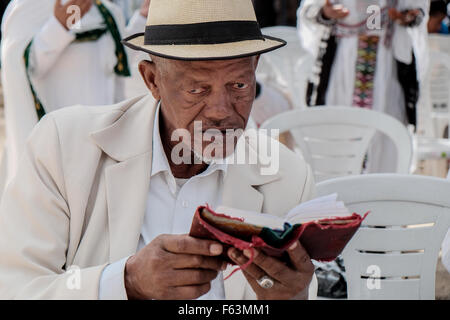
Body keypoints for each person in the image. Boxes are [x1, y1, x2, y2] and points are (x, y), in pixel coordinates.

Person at [0, 0, 317, 300]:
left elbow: (305, 286)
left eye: (239, 85)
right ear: (152, 80)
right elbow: (15, 287)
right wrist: (126, 282)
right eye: (196, 89)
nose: (221, 111)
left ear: (255, 68)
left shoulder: (287, 177)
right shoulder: (62, 148)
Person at [0, 0, 148, 192]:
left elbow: (119, 62)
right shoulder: (29, 6)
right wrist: (60, 27)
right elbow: (21, 67)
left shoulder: (107, 11)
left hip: (102, 144)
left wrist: (143, 18)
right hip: (58, 148)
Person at [298, 0, 429, 173]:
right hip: (342, 63)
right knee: (341, 132)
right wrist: (325, 12)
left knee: (384, 134)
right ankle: (341, 191)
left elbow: (418, 10)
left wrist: (409, 16)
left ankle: (379, 194)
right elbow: (310, 11)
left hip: (386, 65)